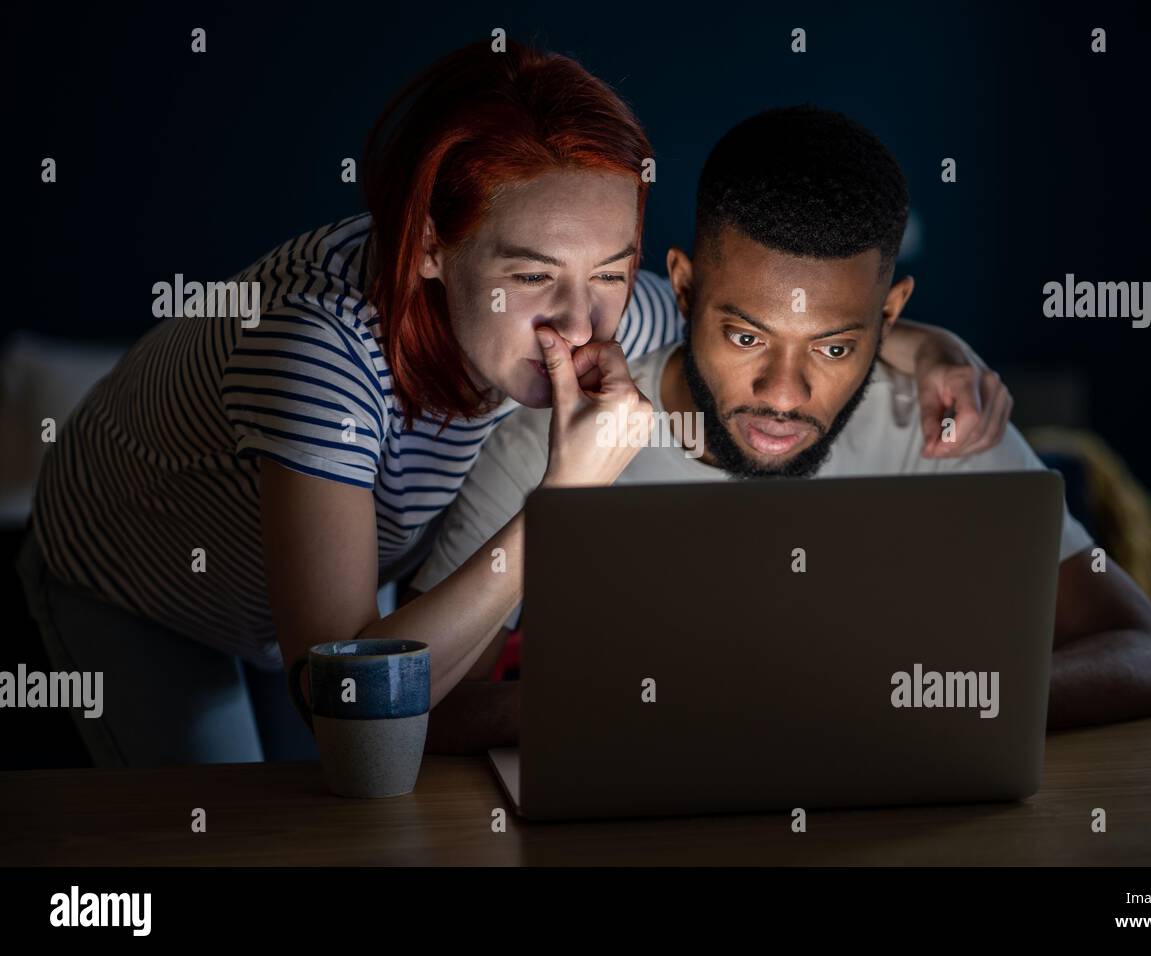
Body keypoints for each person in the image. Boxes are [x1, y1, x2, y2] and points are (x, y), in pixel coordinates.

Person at [16, 43, 1013, 768]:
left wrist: (937, 351)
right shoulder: (318, 353)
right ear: (427, 250)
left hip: (294, 614)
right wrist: (558, 504)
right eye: (532, 276)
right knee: (228, 834)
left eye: (611, 272)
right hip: (136, 589)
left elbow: (762, 314)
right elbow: (345, 694)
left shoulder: (611, 310)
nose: (580, 326)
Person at [405, 106, 1151, 749]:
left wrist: (897, 711)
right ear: (681, 288)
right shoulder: (547, 447)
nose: (783, 395)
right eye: (746, 337)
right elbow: (424, 713)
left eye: (833, 346)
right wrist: (645, 719)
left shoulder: (932, 419)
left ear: (890, 315)